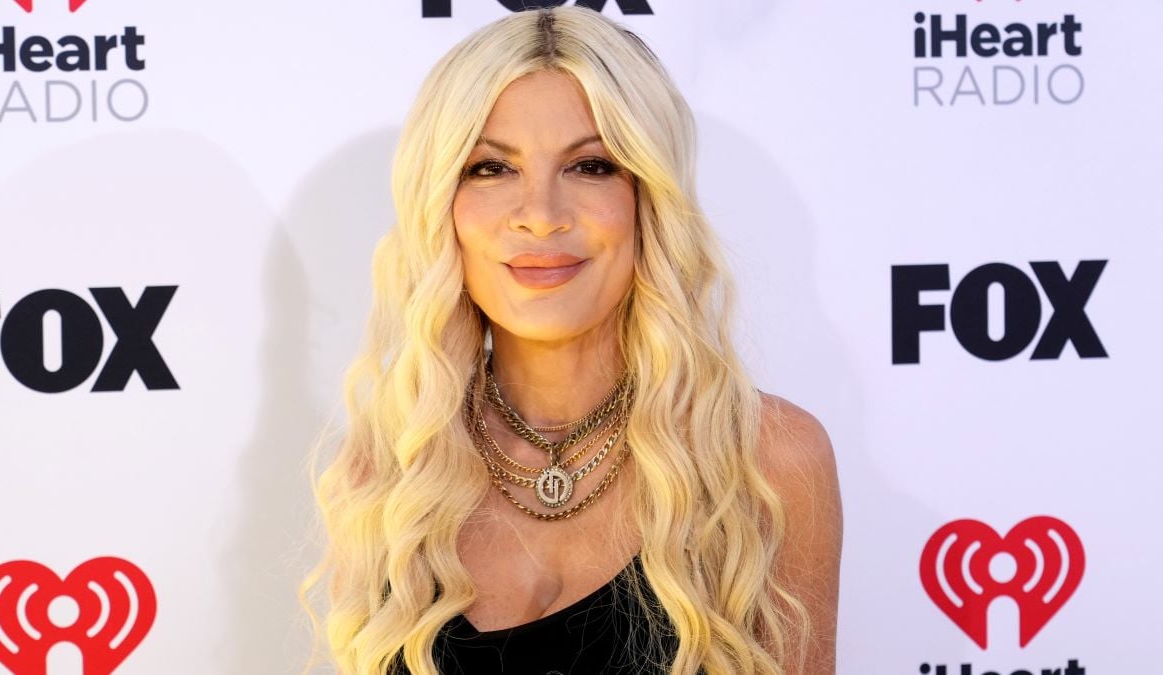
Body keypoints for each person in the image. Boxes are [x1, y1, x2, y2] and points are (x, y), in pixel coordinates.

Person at [301, 6, 842, 674]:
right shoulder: (389, 475)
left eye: (590, 166)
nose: (541, 216)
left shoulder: (768, 463)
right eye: (491, 169)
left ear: (649, 198)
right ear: (442, 207)